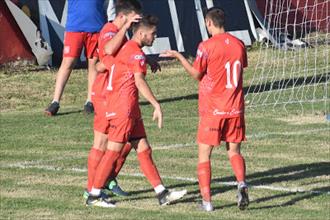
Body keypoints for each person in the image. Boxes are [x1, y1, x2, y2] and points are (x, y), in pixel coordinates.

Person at [86, 15, 187, 208]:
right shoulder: (135, 53)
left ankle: (162, 193)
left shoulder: (124, 48)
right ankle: (94, 194)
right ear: (141, 33)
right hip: (123, 108)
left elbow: (101, 65)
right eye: (153, 33)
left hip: (129, 108)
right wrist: (156, 104)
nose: (155, 37)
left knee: (144, 149)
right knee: (113, 152)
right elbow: (139, 81)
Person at [160, 7, 249, 212]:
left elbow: (197, 74)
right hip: (235, 108)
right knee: (234, 150)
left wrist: (178, 57)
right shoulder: (239, 44)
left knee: (204, 155)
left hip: (213, 109)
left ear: (209, 23)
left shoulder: (206, 46)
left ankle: (207, 202)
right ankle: (242, 183)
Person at [85, 0, 143, 199]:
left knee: (126, 141)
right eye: (133, 19)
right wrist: (125, 27)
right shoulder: (110, 30)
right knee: (101, 143)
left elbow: (121, 56)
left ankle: (107, 179)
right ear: (121, 16)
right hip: (104, 94)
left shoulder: (122, 34)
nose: (136, 22)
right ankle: (91, 189)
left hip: (118, 94)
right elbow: (109, 51)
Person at [45, 0, 106, 116]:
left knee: (93, 64)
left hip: (96, 28)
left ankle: (90, 101)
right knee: (67, 63)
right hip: (74, 28)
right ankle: (55, 102)